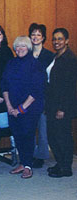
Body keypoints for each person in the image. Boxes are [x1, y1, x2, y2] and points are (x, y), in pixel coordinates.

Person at [1, 36, 45, 179]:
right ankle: (22, 162)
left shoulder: (35, 64)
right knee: (17, 135)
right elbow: (4, 85)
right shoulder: (11, 63)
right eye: (17, 46)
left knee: (27, 135)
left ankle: (28, 166)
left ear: (29, 48)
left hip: (29, 108)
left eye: (23, 46)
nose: (20, 49)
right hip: (12, 107)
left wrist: (21, 109)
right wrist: (9, 106)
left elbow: (36, 90)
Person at [46, 28, 77, 178]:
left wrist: (62, 108)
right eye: (54, 39)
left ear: (66, 41)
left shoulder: (70, 59)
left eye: (60, 39)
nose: (56, 42)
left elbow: (70, 87)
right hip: (52, 103)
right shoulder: (55, 56)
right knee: (53, 135)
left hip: (62, 105)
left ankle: (66, 167)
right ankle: (60, 163)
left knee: (63, 136)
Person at [28, 23, 54, 168]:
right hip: (28, 98)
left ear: (43, 37)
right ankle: (29, 153)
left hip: (43, 96)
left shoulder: (49, 55)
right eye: (33, 34)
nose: (35, 37)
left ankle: (41, 156)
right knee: (30, 127)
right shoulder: (25, 53)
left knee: (43, 128)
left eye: (38, 34)